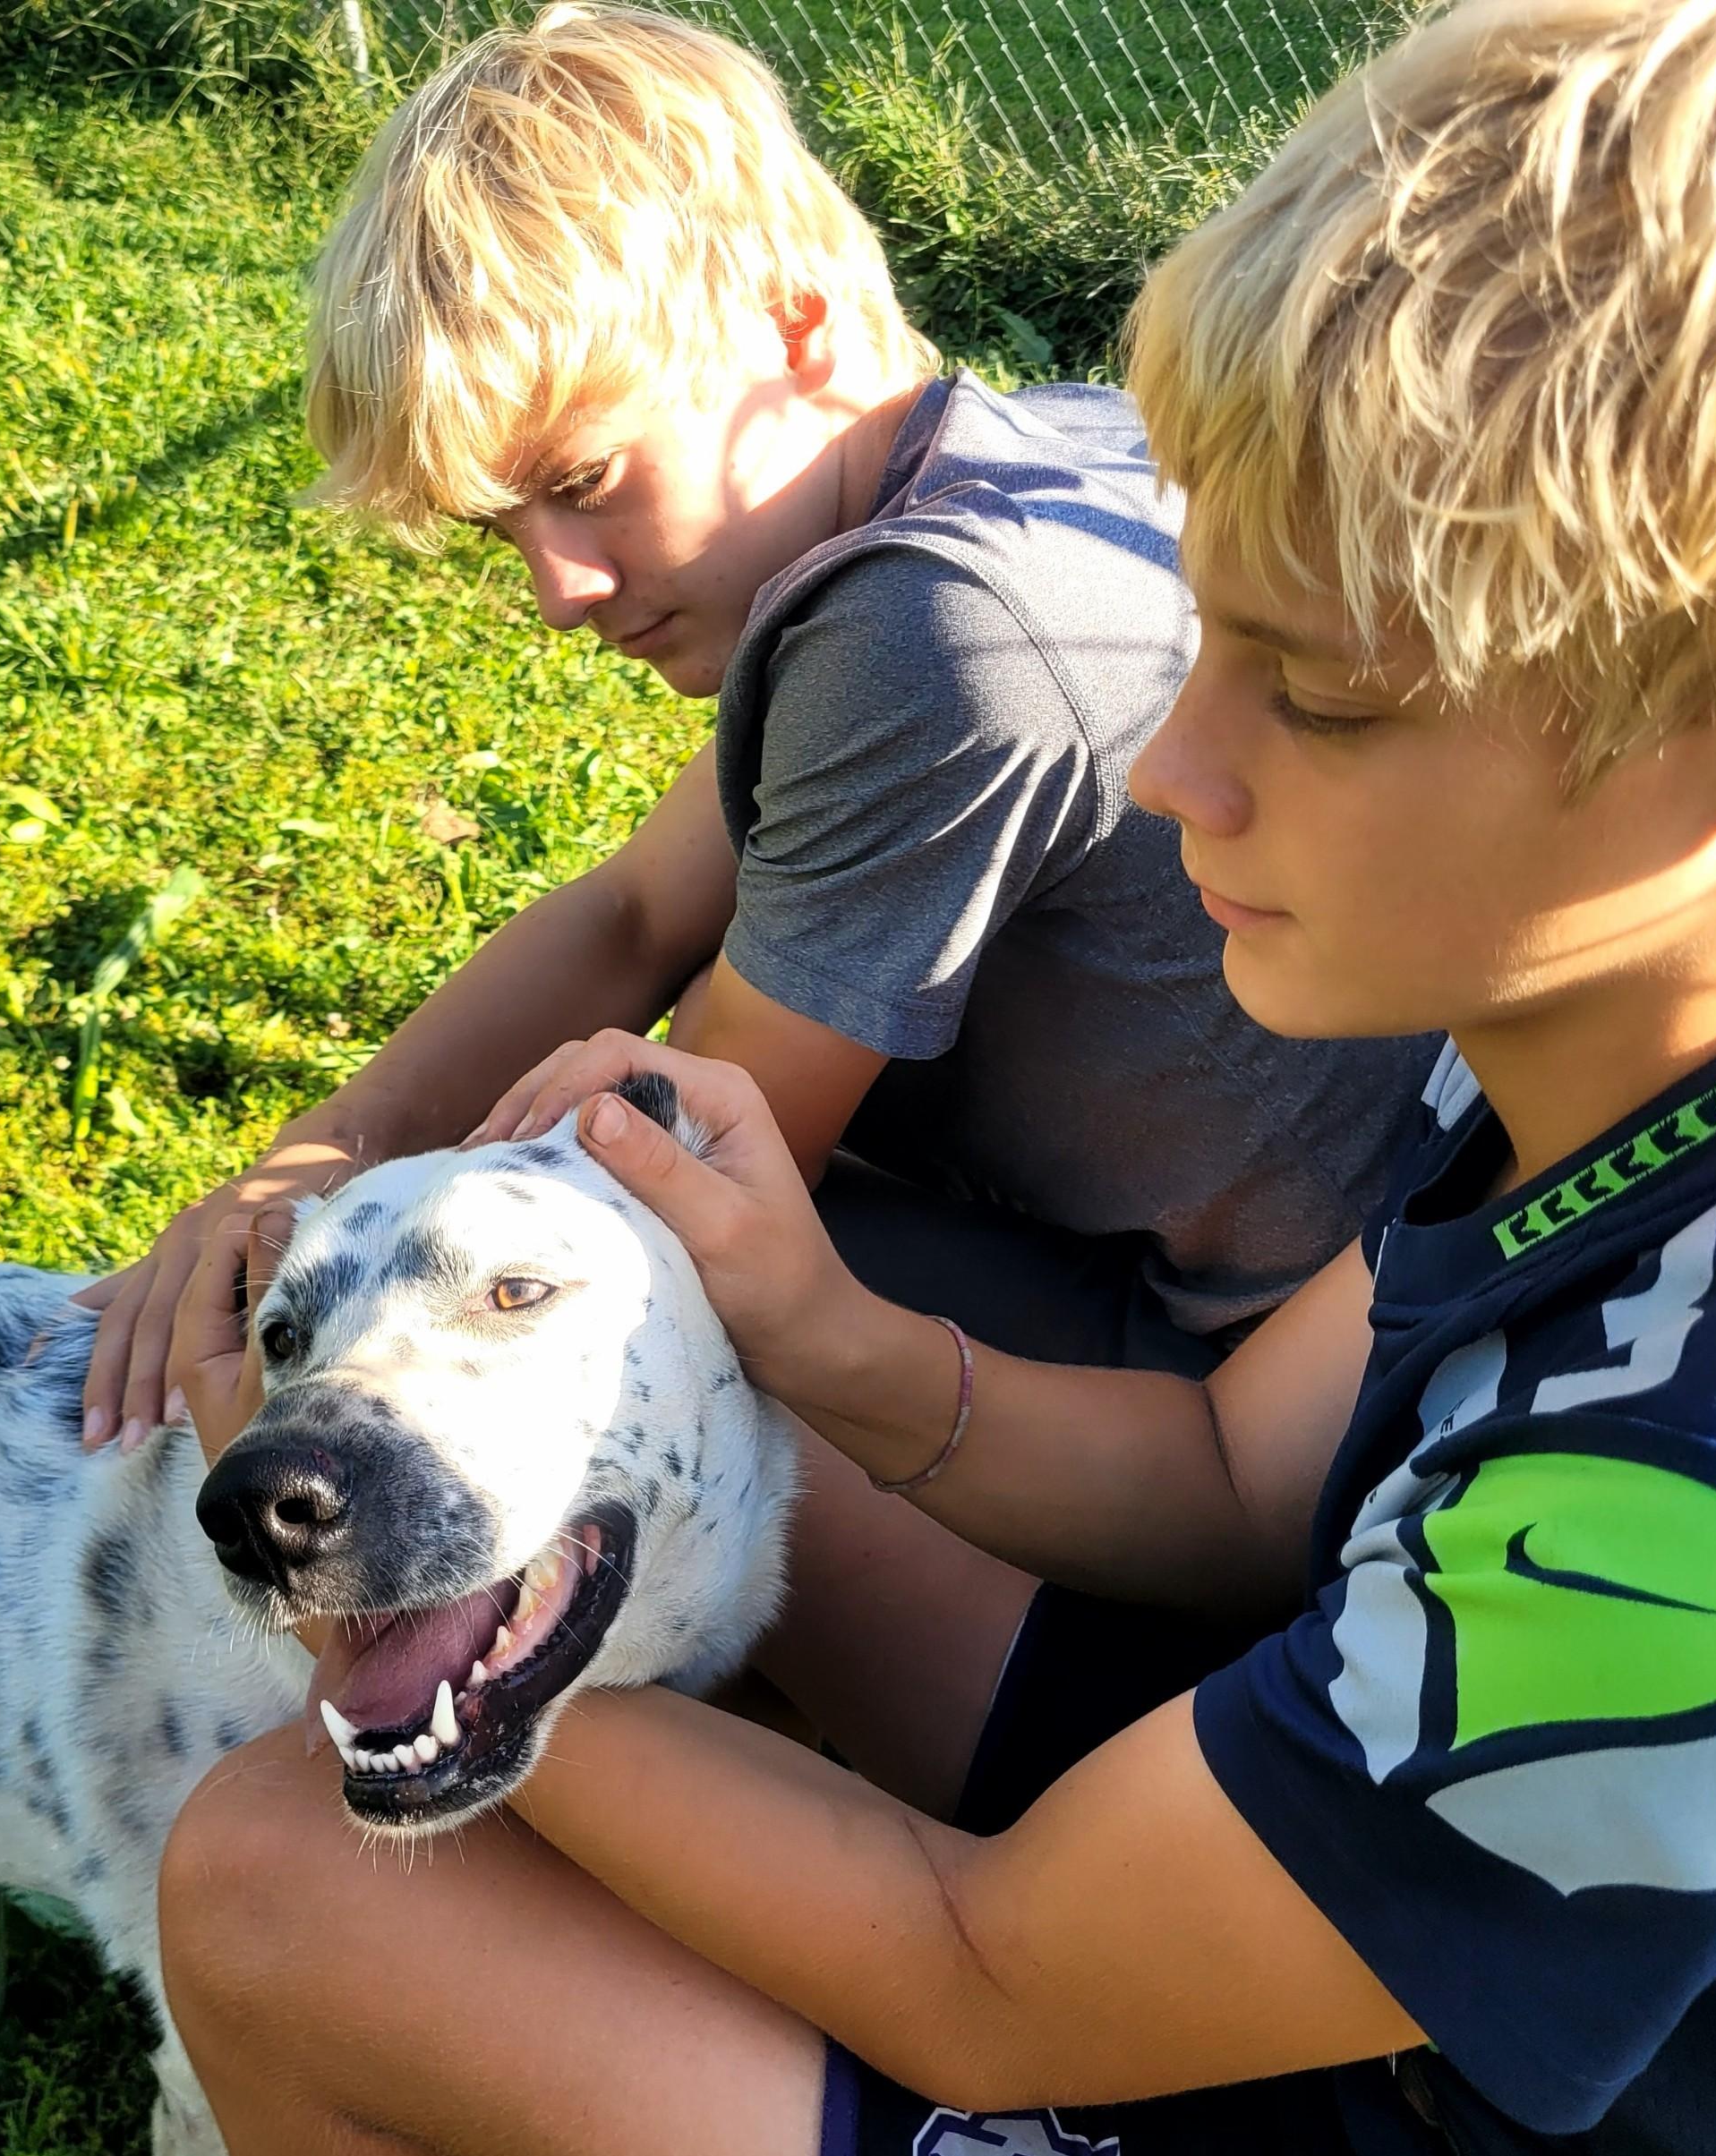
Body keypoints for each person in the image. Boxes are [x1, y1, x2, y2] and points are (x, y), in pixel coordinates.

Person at [149, 0, 1716, 2156]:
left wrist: (417, 1674)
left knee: (288, 1879)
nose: (1169, 764)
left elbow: (989, 1975)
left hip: (1478, 2154)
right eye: (1206, 631)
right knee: (746, 1431)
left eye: (1320, 697)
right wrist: (827, 1336)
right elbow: (1239, 1474)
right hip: (1370, 1874)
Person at [73, 3, 1438, 1462]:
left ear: (796, 326)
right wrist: (313, 1161)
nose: (557, 592)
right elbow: (636, 907)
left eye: (585, 484)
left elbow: (668, 1185)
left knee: (530, 1329)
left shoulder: (940, 627)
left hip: (1260, 1387)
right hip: (1273, 1275)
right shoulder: (1028, 453)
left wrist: (310, 1270)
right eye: (502, 529)